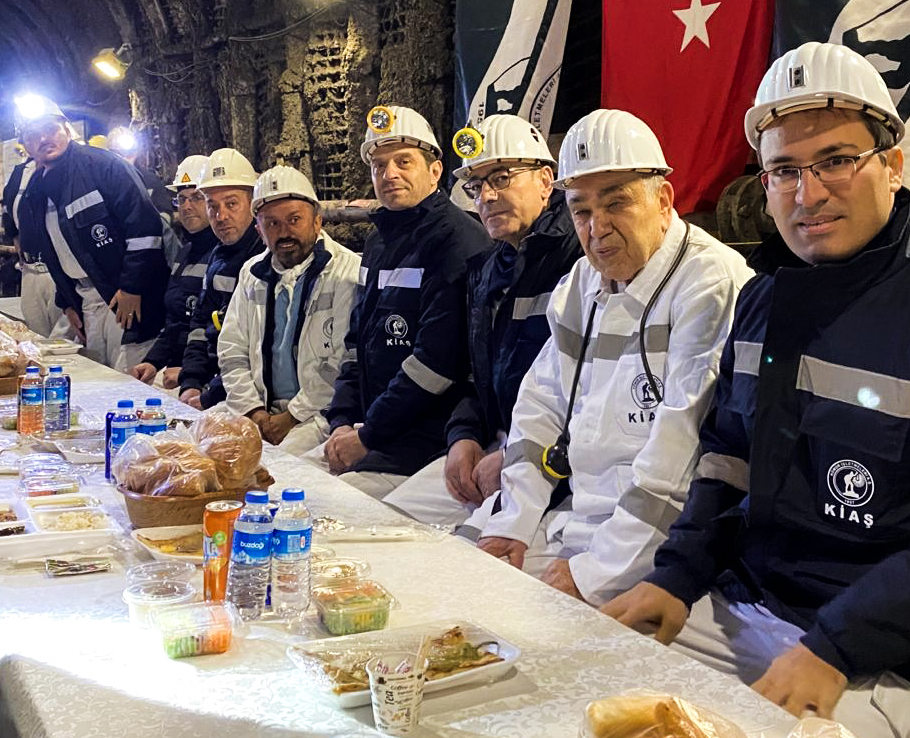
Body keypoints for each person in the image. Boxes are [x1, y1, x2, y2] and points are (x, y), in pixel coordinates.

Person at [601, 43, 910, 738]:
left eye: (836, 160)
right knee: (601, 718)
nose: (807, 193)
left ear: (894, 164)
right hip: (761, 606)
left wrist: (838, 644)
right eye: (783, 170)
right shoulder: (766, 300)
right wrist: (677, 575)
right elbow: (728, 455)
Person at [460, 109, 747, 605]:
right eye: (582, 211)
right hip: (579, 522)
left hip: (662, 552)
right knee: (460, 579)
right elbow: (541, 408)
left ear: (664, 201)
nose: (598, 228)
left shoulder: (709, 284)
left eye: (617, 203)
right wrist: (514, 521)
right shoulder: (580, 285)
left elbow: (679, 459)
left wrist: (595, 572)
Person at [379, 114, 580, 526]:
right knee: (391, 522)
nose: (486, 196)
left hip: (558, 465)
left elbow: (591, 394)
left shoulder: (578, 259)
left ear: (546, 181)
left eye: (502, 177)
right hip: (495, 445)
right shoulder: (489, 267)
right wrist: (463, 436)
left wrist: (514, 457)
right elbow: (478, 375)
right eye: (476, 186)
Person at [317, 105, 490, 497]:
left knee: (332, 508)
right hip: (375, 431)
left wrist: (368, 435)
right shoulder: (379, 241)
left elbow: (438, 363)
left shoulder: (458, 240)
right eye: (378, 165)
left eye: (403, 161)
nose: (389, 173)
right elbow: (356, 343)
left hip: (424, 442)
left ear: (435, 171)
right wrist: (342, 420)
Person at [14, 96, 169, 371]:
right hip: (85, 297)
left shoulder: (103, 166)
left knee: (128, 378)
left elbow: (145, 229)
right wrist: (67, 302)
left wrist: (132, 287)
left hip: (124, 297)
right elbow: (54, 251)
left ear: (66, 129)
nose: (43, 139)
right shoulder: (36, 190)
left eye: (50, 130)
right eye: (33, 135)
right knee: (99, 376)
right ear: (25, 144)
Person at [218, 166, 361, 455]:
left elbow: (342, 361)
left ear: (317, 221)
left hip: (318, 414)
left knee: (277, 470)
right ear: (258, 230)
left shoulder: (346, 271)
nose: (284, 232)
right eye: (271, 224)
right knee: (210, 452)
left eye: (294, 220)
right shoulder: (252, 273)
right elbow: (232, 349)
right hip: (257, 412)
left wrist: (292, 415)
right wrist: (253, 410)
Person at [178, 148, 265, 408]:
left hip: (250, 392)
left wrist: (208, 396)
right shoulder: (219, 255)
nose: (221, 216)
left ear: (252, 203)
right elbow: (200, 323)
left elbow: (252, 349)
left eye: (231, 204)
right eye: (212, 205)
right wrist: (191, 380)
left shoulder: (266, 259)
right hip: (218, 383)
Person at [130, 155, 217, 389]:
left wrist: (190, 373)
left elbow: (222, 335)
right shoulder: (185, 252)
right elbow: (176, 323)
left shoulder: (225, 256)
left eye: (197, 198)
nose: (187, 207)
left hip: (203, 377)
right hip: (181, 369)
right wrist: (152, 361)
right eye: (182, 199)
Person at [0, 149, 71, 339]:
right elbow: (6, 205)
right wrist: (14, 236)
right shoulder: (21, 171)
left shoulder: (70, 169)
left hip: (58, 269)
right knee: (35, 334)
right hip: (30, 269)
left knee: (62, 337)